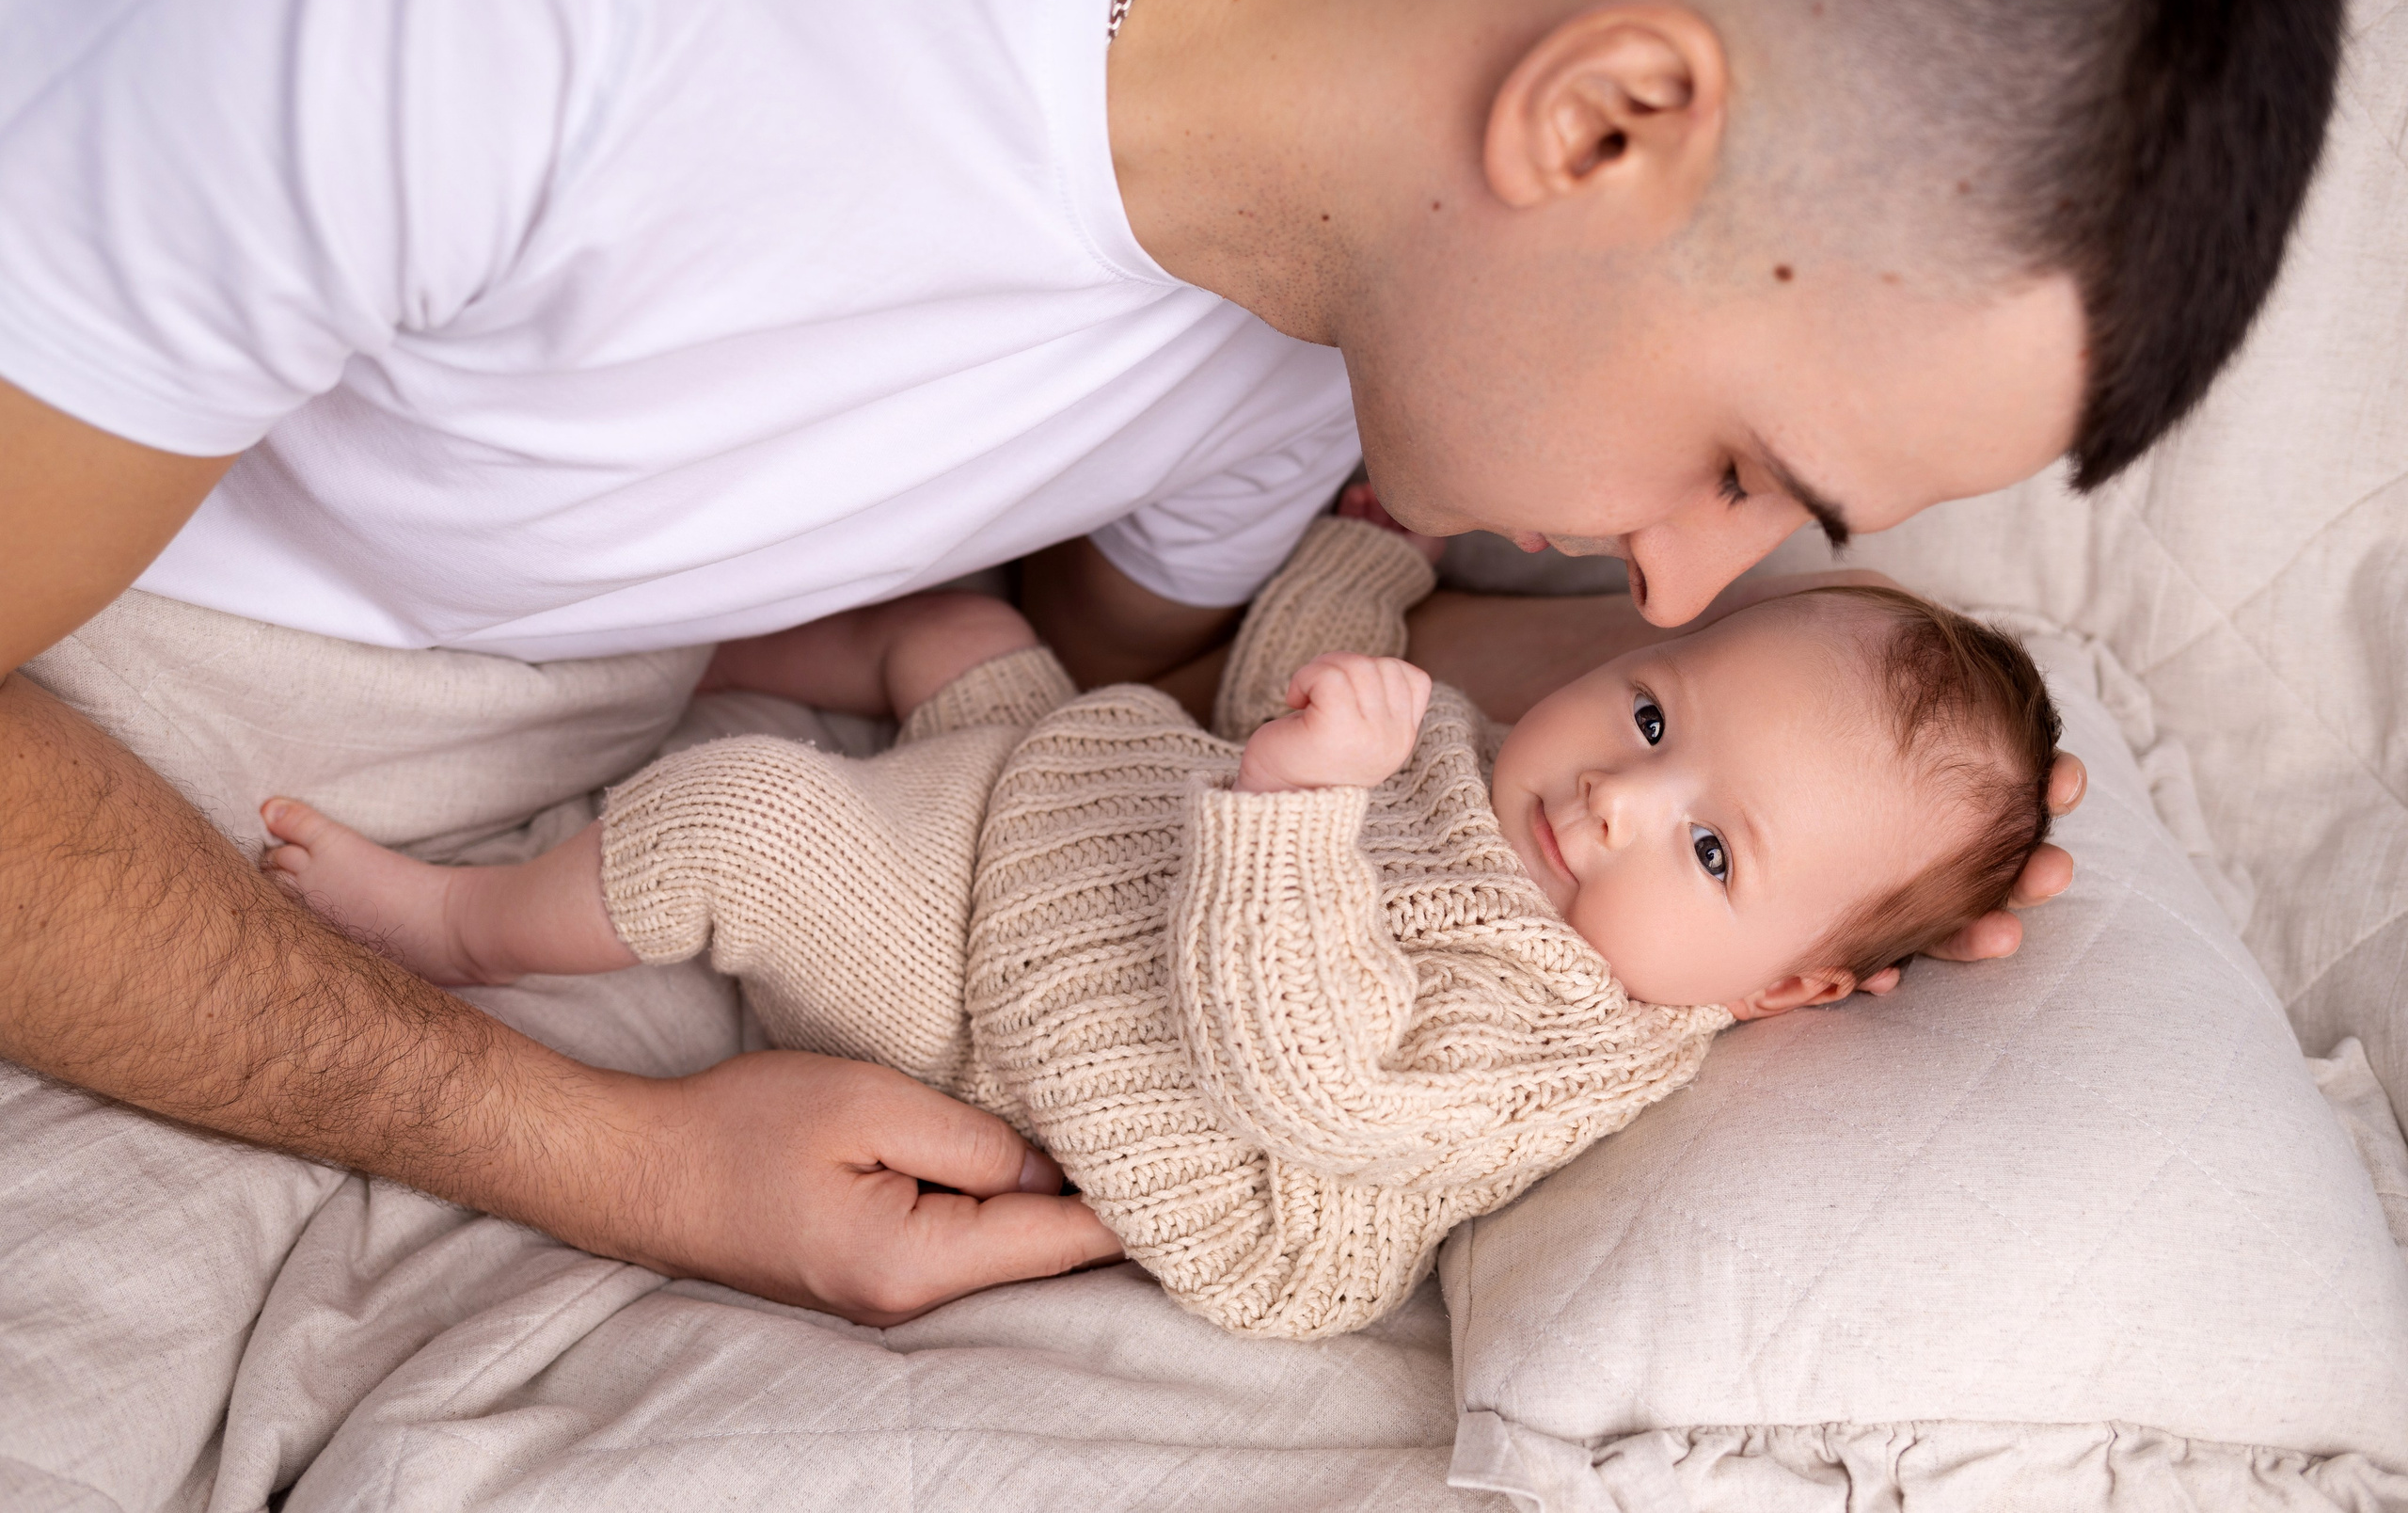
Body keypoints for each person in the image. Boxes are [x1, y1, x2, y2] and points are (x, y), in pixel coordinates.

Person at [0, 0, 2341, 1329]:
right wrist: (605, 1157)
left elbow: (1143, 701)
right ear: (1607, 120)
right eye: (1744, 468)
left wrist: (1769, 805)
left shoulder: (1333, 346)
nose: (1675, 573)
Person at [255, 508, 2060, 1338]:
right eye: (1657, 716)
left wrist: (1293, 815)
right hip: (1074, 815)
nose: (1613, 804)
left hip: (1032, 1023)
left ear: (1798, 989)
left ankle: (458, 922)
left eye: (1717, 855)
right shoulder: (1525, 781)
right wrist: (1367, 568)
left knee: (753, 830)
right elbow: (1289, 696)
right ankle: (649, 637)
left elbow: (1319, 1078)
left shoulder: (1569, 1037)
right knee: (946, 626)